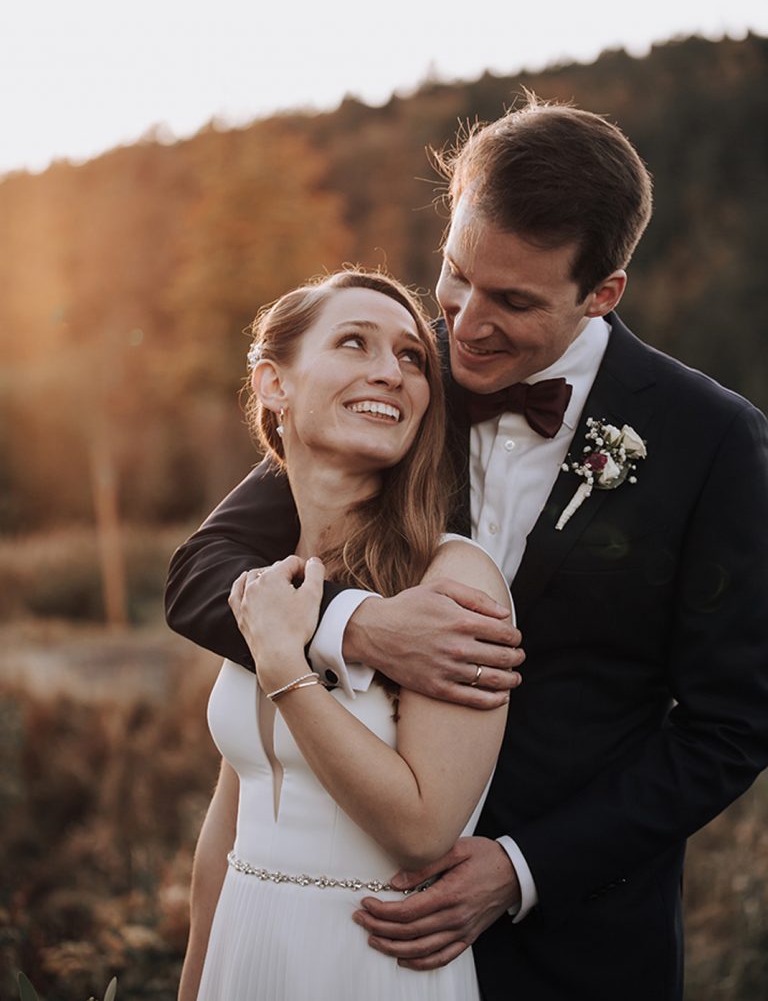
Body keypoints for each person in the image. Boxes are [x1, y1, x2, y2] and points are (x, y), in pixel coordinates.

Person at [167, 98, 768, 1001]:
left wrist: (524, 868)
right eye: (456, 275)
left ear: (602, 294)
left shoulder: (710, 438)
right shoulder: (393, 388)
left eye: (514, 301)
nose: (467, 324)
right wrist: (355, 628)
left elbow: (732, 724)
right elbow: (202, 574)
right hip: (347, 931)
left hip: (574, 941)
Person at [177, 269, 514, 1001]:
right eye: (355, 342)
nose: (390, 371)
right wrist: (198, 977)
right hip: (244, 953)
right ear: (274, 384)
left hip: (370, 963)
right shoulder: (269, 580)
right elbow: (227, 832)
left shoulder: (452, 580)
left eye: (411, 357)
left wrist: (285, 671)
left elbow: (423, 829)